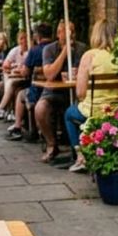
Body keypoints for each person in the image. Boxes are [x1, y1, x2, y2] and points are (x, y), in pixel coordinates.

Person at [65, 19, 118, 172]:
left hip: (95, 112)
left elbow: (80, 94)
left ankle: (81, 156)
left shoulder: (90, 56)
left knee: (69, 114)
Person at [36, 20, 87, 163]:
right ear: (59, 34)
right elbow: (50, 75)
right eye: (68, 32)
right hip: (53, 91)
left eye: (73, 32)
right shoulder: (49, 49)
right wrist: (65, 52)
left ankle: (77, 150)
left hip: (75, 92)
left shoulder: (82, 49)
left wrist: (79, 73)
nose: (72, 36)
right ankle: (52, 144)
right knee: (40, 109)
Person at [6, 23, 53, 141]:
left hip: (38, 90)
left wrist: (21, 69)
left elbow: (25, 73)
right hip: (55, 89)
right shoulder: (56, 48)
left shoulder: (35, 50)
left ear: (38, 36)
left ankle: (18, 126)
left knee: (21, 93)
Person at [0, 30, 29, 119]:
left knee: (7, 83)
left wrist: (14, 68)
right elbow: (4, 65)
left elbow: (26, 70)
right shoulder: (15, 50)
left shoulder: (30, 51)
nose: (23, 41)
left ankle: (2, 109)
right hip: (6, 77)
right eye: (21, 38)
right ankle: (2, 109)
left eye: (25, 38)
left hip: (25, 79)